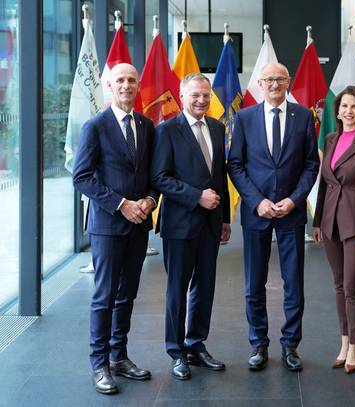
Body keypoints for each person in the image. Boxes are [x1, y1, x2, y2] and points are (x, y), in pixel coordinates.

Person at [228, 62, 319, 372]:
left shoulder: (303, 116)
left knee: (294, 282)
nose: (275, 84)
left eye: (280, 79)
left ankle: (291, 344)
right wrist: (257, 201)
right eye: (269, 79)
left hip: (291, 212)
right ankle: (258, 343)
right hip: (258, 213)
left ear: (288, 81)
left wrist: (294, 200)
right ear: (260, 83)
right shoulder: (245, 117)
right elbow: (235, 164)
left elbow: (311, 165)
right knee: (255, 282)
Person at [72, 63, 157, 395]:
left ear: (138, 85)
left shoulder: (146, 125)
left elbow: (153, 174)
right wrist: (122, 204)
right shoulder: (95, 126)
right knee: (104, 295)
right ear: (109, 84)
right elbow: (82, 176)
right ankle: (99, 364)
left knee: (128, 294)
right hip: (108, 225)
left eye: (131, 80)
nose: (126, 85)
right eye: (120, 80)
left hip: (139, 224)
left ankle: (119, 356)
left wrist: (149, 199)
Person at [151, 73, 231, 380]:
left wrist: (224, 218)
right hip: (179, 224)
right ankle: (176, 351)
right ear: (182, 96)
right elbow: (160, 178)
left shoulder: (218, 127)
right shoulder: (167, 130)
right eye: (195, 95)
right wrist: (197, 196)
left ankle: (196, 344)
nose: (201, 100)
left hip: (211, 224)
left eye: (206, 95)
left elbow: (219, 176)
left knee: (205, 287)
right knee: (177, 289)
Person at [312, 86, 355, 374]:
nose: (348, 111)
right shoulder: (331, 139)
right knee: (339, 284)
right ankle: (343, 343)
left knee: (352, 286)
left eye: (354, 106)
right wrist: (317, 220)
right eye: (344, 106)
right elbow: (325, 183)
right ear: (337, 111)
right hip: (330, 222)